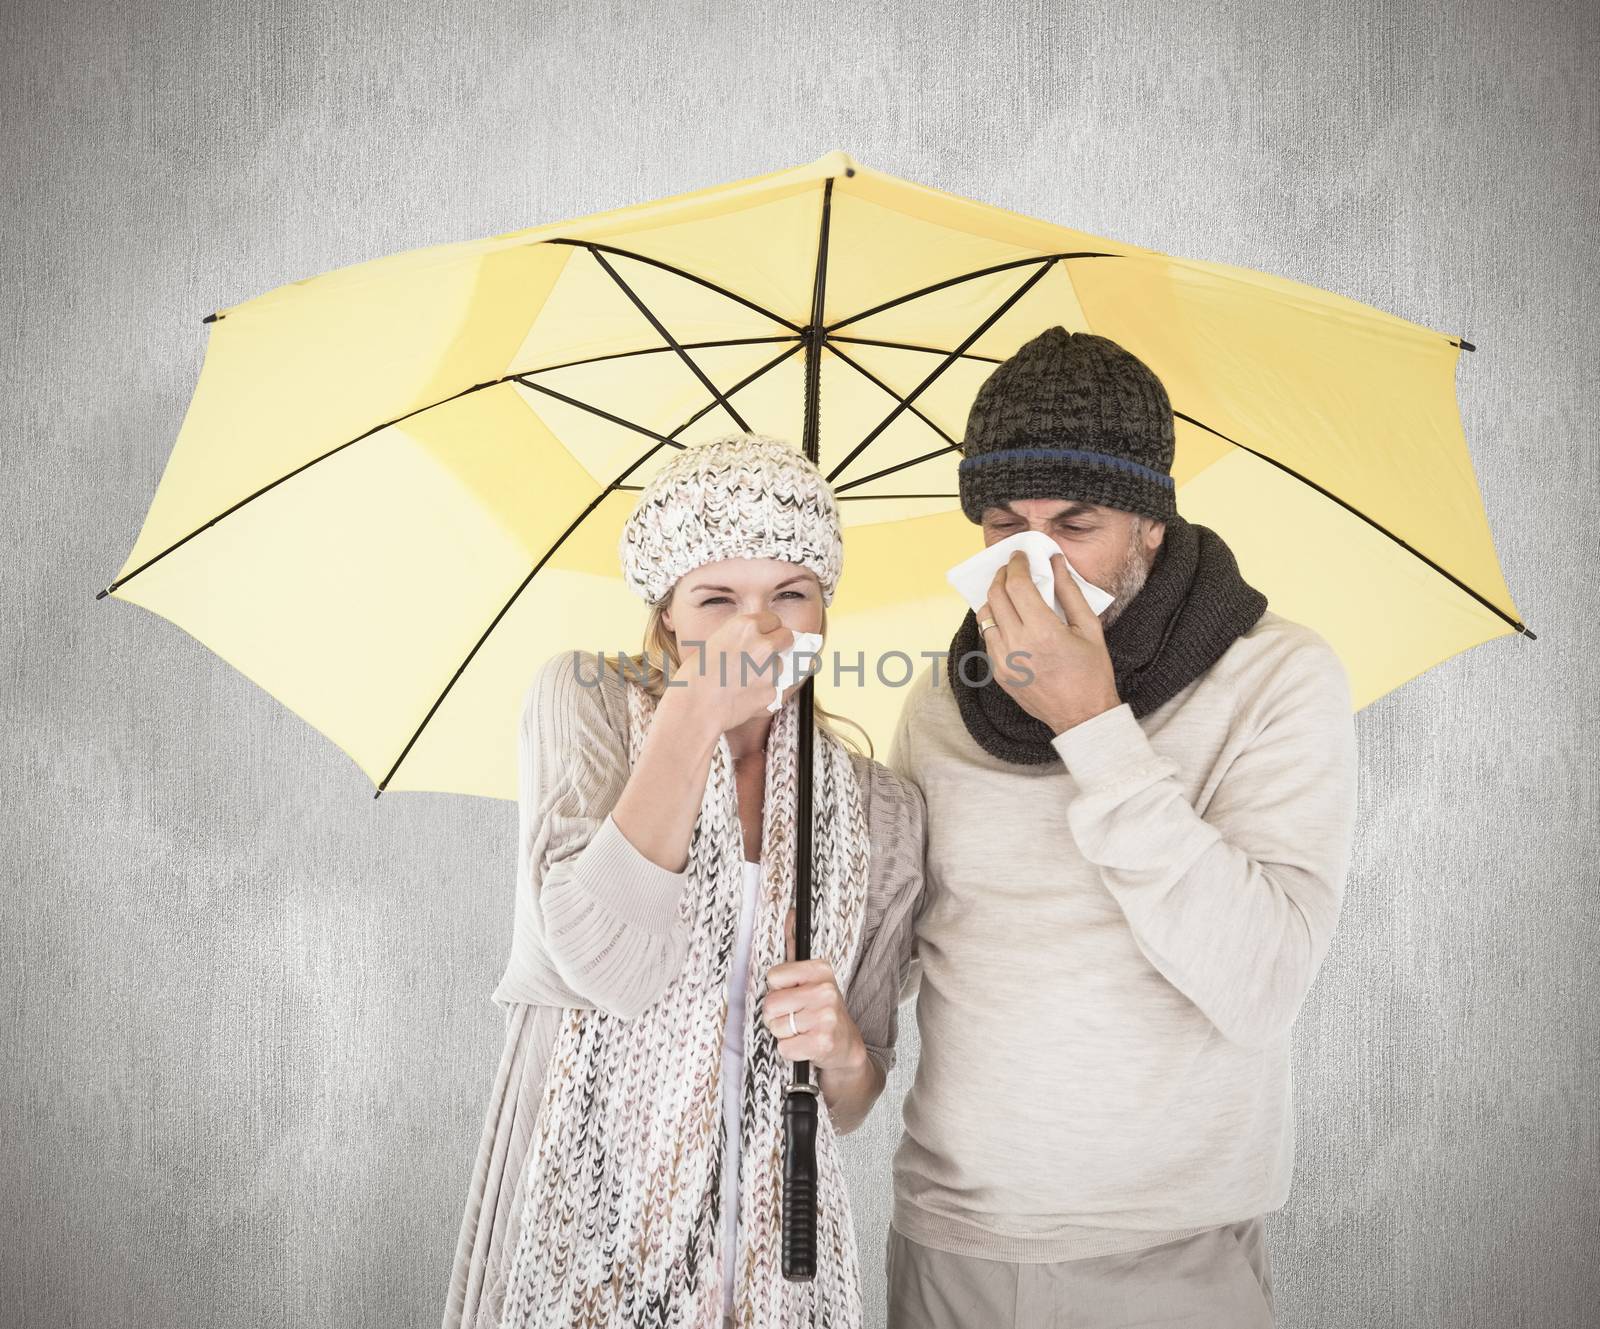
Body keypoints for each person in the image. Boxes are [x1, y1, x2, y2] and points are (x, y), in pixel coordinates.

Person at [883, 328, 1359, 1328]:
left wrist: (1092, 727)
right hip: (951, 1244)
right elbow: (891, 965)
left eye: (1076, 523)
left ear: (1148, 522)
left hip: (1167, 1254)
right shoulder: (938, 702)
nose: (1032, 558)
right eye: (1003, 522)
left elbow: (1261, 981)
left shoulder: (1276, 678)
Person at [442, 431, 927, 1329]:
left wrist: (845, 1049)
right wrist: (694, 712)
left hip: (774, 1249)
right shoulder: (583, 704)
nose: (761, 627)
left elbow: (855, 1099)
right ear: (667, 611)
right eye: (717, 597)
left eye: (792, 593)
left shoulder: (879, 808)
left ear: (826, 607)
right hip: (585, 1228)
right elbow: (604, 963)